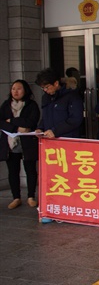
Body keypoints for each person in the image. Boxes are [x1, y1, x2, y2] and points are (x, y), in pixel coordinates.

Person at [0, 80, 41, 209]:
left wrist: (12, 120)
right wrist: (17, 128)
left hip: (27, 143)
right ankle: (16, 197)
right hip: (10, 143)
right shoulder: (6, 105)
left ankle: (31, 196)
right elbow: (1, 122)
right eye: (13, 89)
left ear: (25, 90)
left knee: (30, 170)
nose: (15, 91)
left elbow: (31, 122)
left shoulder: (31, 105)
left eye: (19, 89)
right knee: (13, 171)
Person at [35, 67, 84, 139]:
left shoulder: (72, 96)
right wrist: (40, 128)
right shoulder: (46, 97)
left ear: (56, 83)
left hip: (67, 139)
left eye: (47, 87)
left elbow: (75, 120)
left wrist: (55, 131)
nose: (45, 90)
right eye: (43, 88)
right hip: (48, 139)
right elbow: (45, 117)